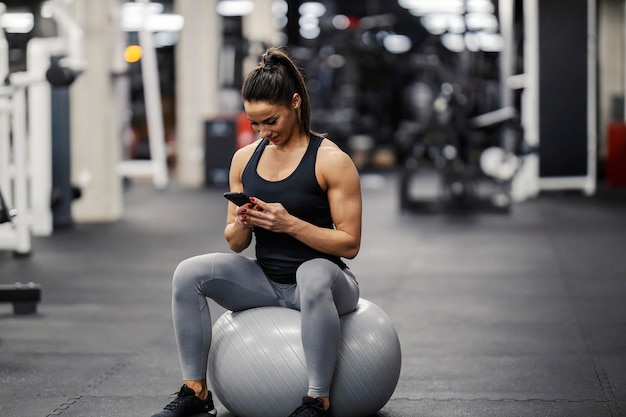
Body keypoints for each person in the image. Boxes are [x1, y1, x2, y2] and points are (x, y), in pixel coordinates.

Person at [151, 47, 362, 417]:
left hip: (326, 285)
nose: (264, 132)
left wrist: (288, 224)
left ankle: (317, 400)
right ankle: (196, 393)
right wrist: (243, 222)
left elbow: (349, 244)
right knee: (189, 273)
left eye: (271, 121)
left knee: (311, 273)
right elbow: (235, 244)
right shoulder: (245, 159)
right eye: (255, 124)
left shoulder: (331, 160)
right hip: (267, 282)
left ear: (295, 103)